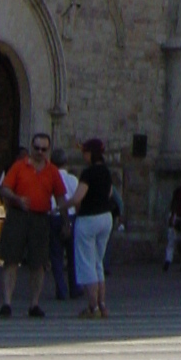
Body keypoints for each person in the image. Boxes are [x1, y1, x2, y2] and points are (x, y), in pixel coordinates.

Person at [0, 131, 66, 319]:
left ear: (48, 150)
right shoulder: (19, 167)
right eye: (36, 148)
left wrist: (65, 221)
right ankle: (7, 302)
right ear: (31, 147)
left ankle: (34, 304)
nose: (40, 152)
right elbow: (4, 188)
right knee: (11, 259)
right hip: (18, 215)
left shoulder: (52, 171)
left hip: (41, 218)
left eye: (44, 149)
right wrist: (17, 199)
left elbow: (60, 196)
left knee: (39, 263)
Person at [69, 137, 114, 319]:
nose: (83, 155)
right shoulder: (106, 172)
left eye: (85, 152)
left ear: (91, 153)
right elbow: (110, 193)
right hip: (106, 217)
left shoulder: (88, 173)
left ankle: (92, 306)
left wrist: (62, 206)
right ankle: (102, 305)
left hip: (88, 218)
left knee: (86, 262)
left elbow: (78, 197)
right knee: (97, 261)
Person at [48, 147, 79, 302]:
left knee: (56, 255)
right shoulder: (73, 180)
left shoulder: (48, 178)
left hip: (53, 217)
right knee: (73, 255)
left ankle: (61, 289)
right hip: (71, 216)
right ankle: (75, 287)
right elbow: (76, 200)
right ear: (66, 162)